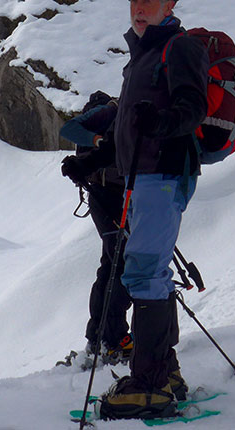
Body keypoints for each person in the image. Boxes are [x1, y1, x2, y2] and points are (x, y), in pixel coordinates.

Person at [62, 0, 209, 420]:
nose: (139, 8)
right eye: (134, 1)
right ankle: (166, 373)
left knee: (143, 271)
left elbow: (193, 106)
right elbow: (127, 124)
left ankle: (149, 383)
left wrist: (163, 124)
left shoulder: (178, 46)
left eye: (149, 0)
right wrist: (94, 160)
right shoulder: (141, 56)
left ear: (170, 5)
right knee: (150, 272)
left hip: (163, 174)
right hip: (142, 175)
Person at [59, 91, 133, 367]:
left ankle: (99, 337)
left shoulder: (113, 110)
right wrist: (99, 141)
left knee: (111, 264)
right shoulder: (116, 110)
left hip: (103, 196)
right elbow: (69, 129)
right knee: (121, 266)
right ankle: (113, 339)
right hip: (112, 197)